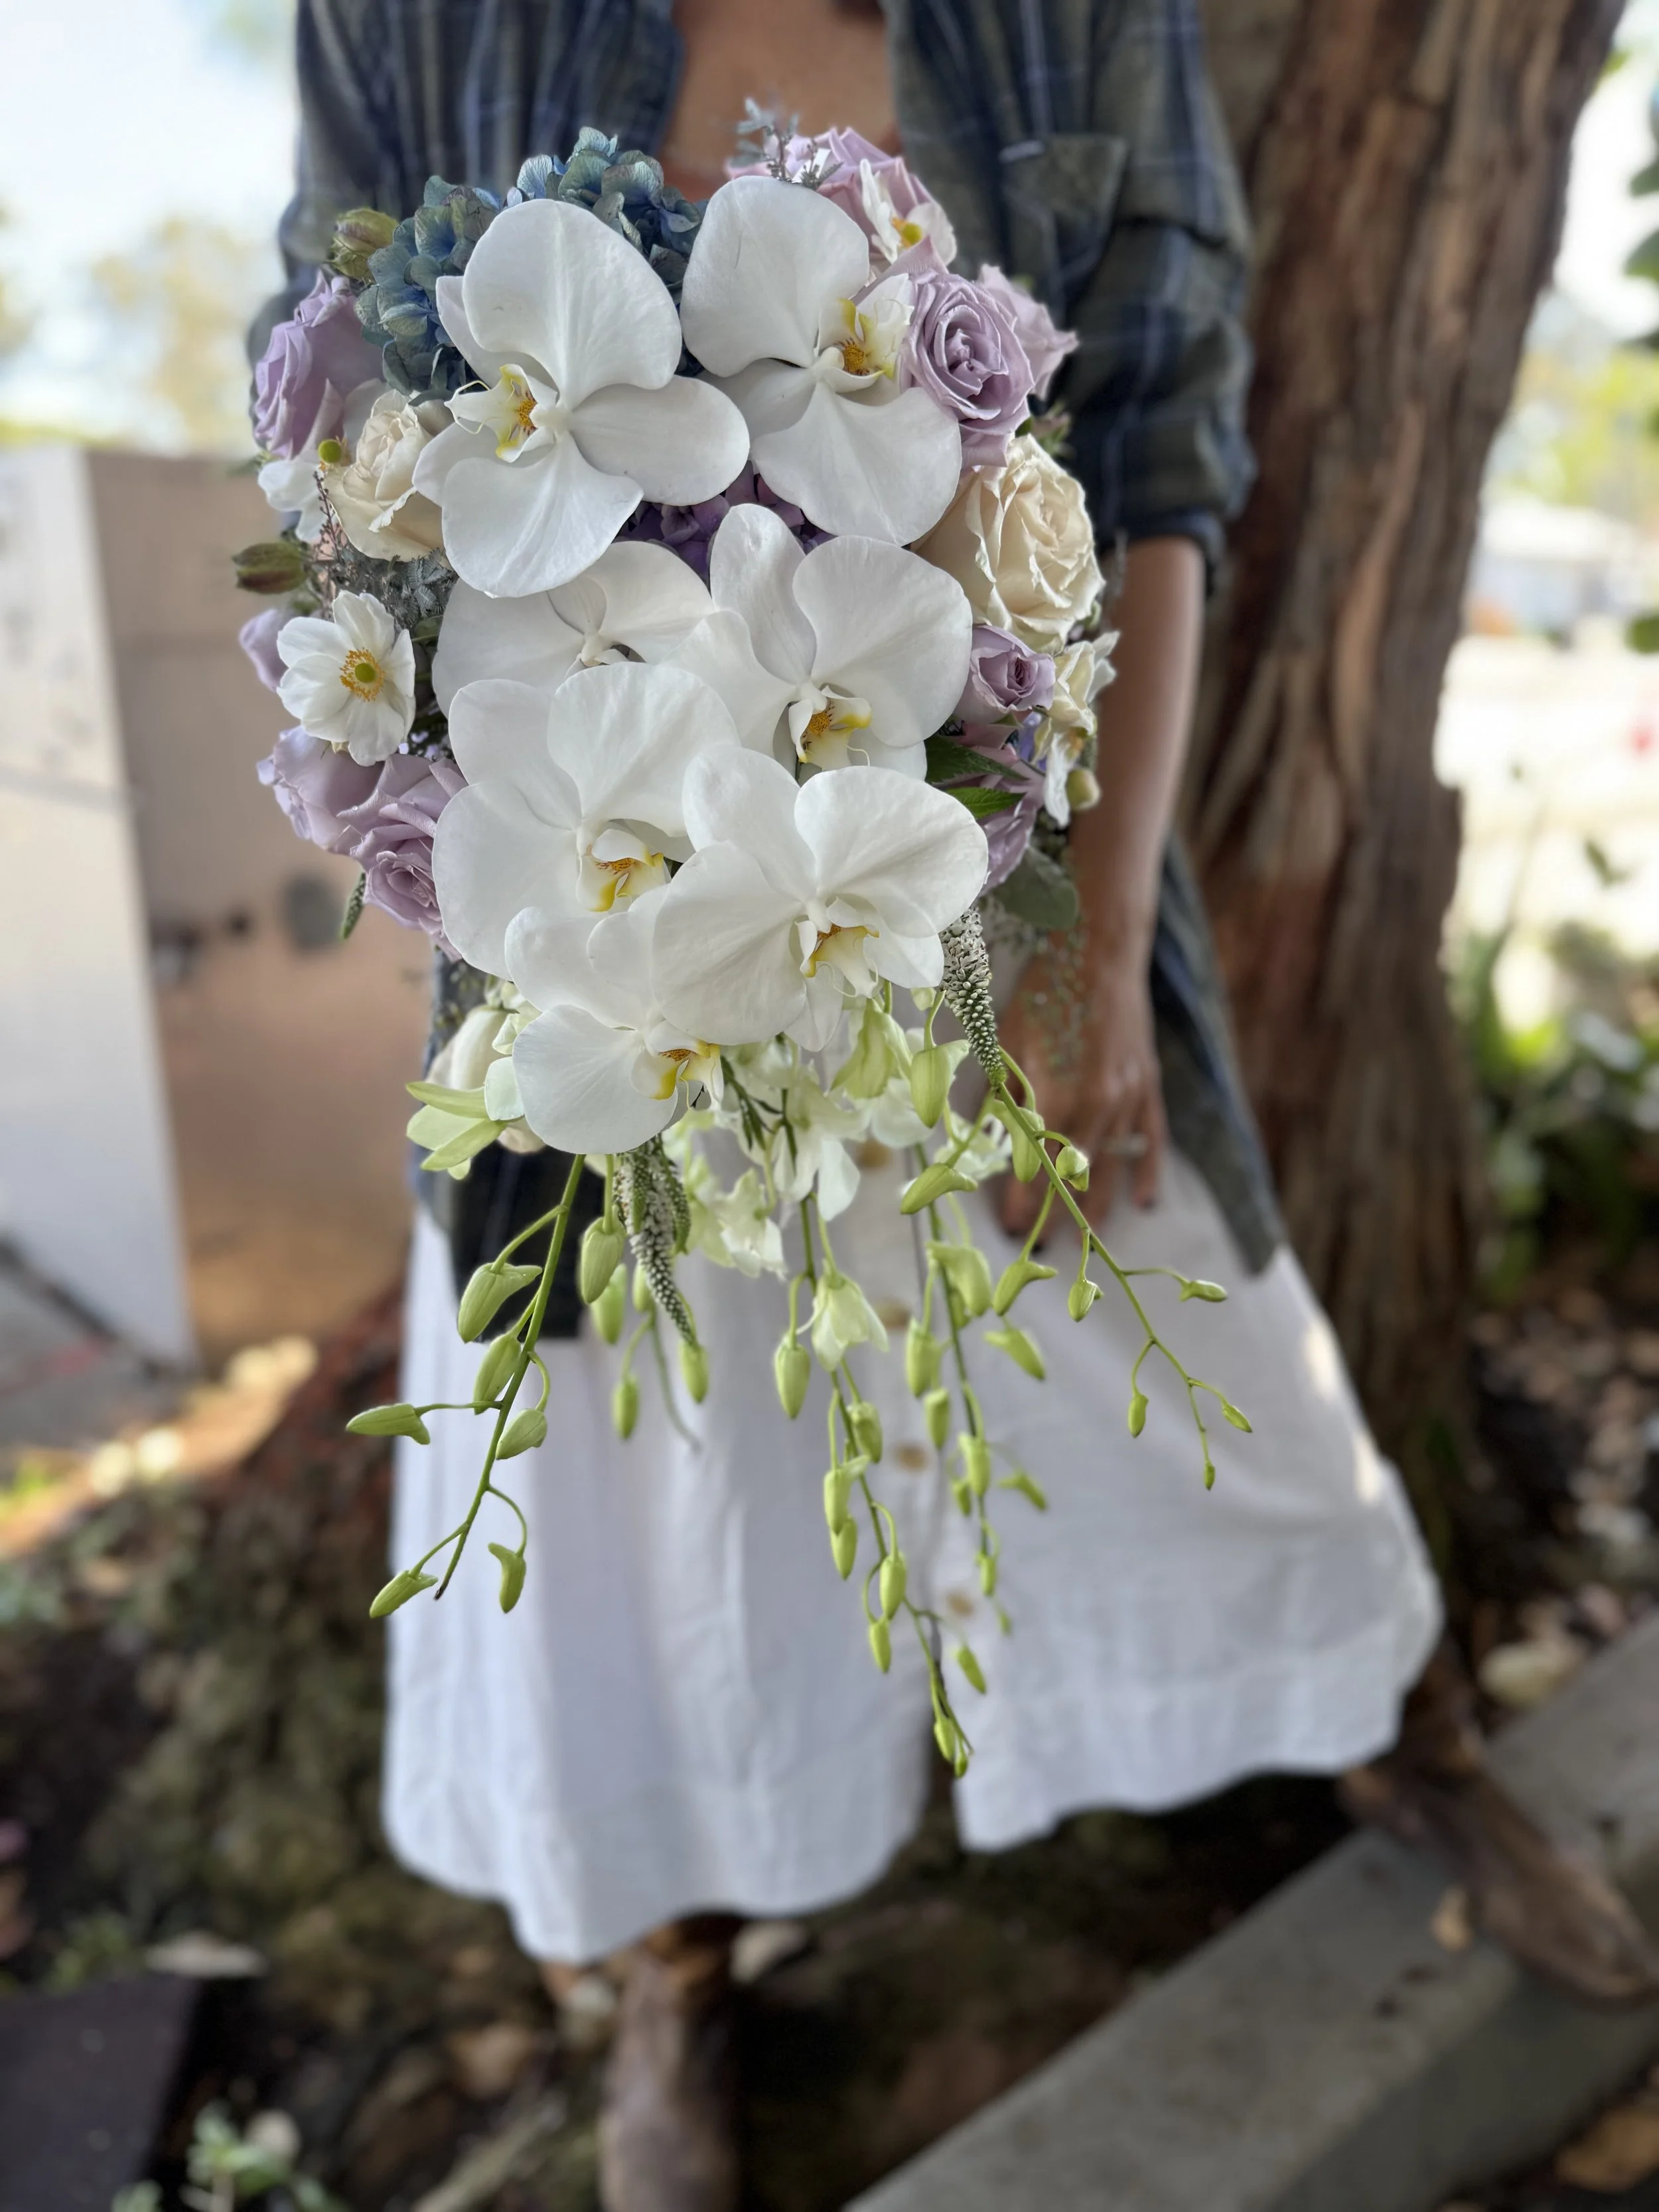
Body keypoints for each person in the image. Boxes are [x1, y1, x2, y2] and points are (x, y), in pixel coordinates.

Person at [266, 3, 1659, 2205]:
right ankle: (676, 1957)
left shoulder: (1072, 18)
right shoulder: (410, 19)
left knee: (1188, 1349)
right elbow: (336, 424)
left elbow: (1163, 462)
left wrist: (1084, 943)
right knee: (649, 1471)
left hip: (980, 869)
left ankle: (1392, 1727)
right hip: (593, 905)